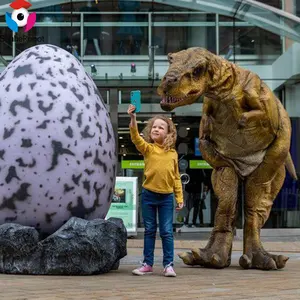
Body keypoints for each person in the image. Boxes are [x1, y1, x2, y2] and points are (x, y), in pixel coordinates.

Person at [127, 104, 183, 277]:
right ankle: (147, 264)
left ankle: (168, 265)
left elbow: (176, 177)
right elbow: (136, 137)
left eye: (161, 127)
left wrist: (179, 197)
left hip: (166, 197)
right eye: (154, 127)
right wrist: (133, 118)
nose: (156, 129)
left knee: (166, 232)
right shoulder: (148, 149)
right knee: (150, 230)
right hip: (148, 195)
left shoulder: (172, 153)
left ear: (168, 133)